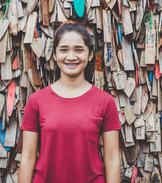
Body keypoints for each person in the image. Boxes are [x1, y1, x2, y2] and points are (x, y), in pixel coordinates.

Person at [18, 21, 122, 183]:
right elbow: (28, 157)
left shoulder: (105, 102)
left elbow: (112, 158)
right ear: (55, 55)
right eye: (64, 50)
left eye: (79, 50)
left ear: (89, 55)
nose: (71, 57)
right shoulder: (36, 101)